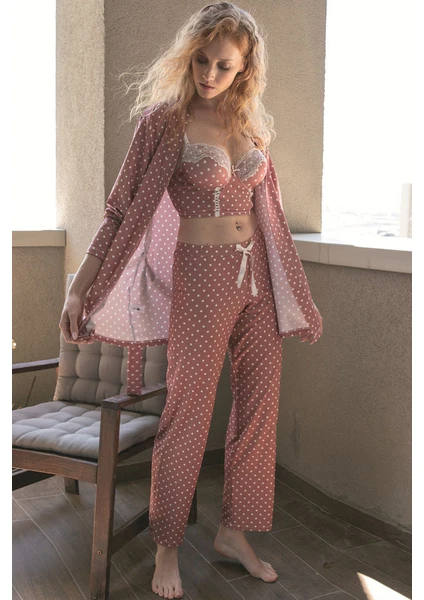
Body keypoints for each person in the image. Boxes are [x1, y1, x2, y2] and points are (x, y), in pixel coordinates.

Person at [59, 3, 323, 598]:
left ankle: (233, 533)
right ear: (188, 56)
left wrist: (294, 292)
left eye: (223, 65)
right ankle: (167, 546)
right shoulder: (164, 122)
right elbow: (120, 210)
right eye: (201, 60)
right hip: (201, 276)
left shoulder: (251, 125)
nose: (209, 74)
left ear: (245, 66)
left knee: (258, 409)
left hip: (257, 279)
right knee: (187, 412)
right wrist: (80, 286)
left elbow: (272, 216)